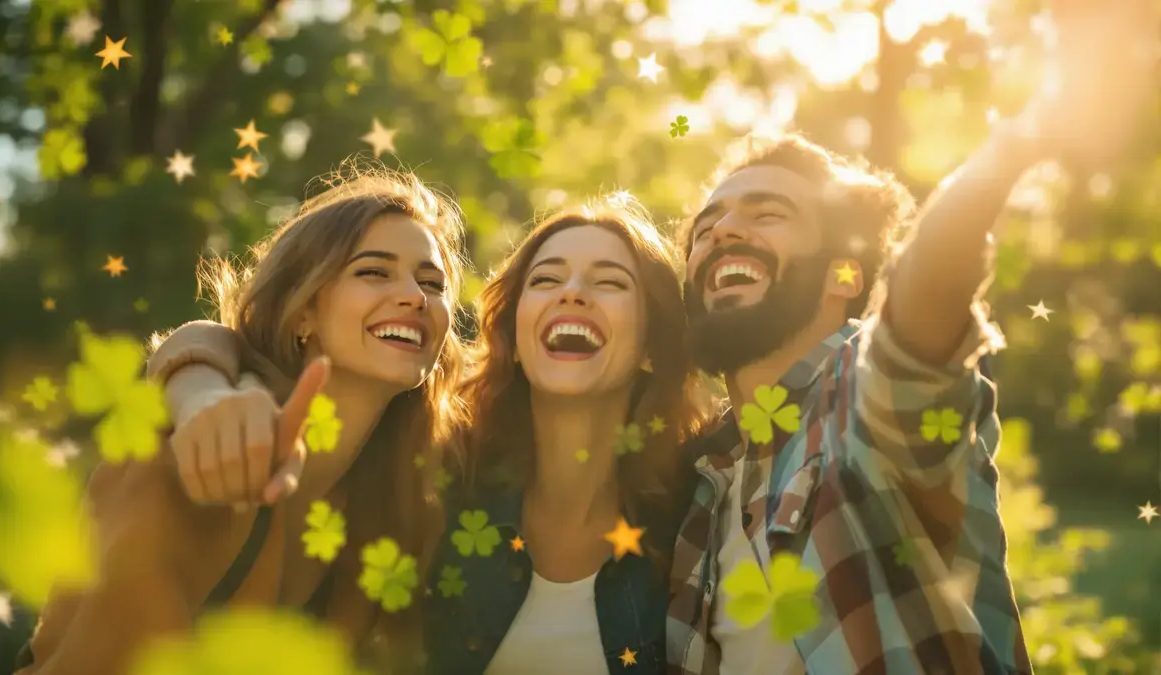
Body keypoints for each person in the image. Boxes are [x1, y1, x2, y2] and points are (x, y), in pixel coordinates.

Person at [665, 3, 1154, 671]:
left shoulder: (860, 397)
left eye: (767, 213)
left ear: (843, 274)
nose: (722, 231)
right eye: (706, 227)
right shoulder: (703, 479)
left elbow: (921, 303)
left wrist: (1020, 138)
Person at [148, 197, 713, 674]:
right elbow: (208, 339)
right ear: (512, 335)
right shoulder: (445, 479)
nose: (572, 293)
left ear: (652, 342)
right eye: (545, 279)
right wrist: (199, 386)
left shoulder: (695, 512)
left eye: (609, 282)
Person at [14, 165, 470, 675]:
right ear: (303, 310)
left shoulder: (396, 497)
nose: (415, 296)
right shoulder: (189, 449)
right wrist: (198, 382)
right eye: (374, 272)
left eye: (432, 283)